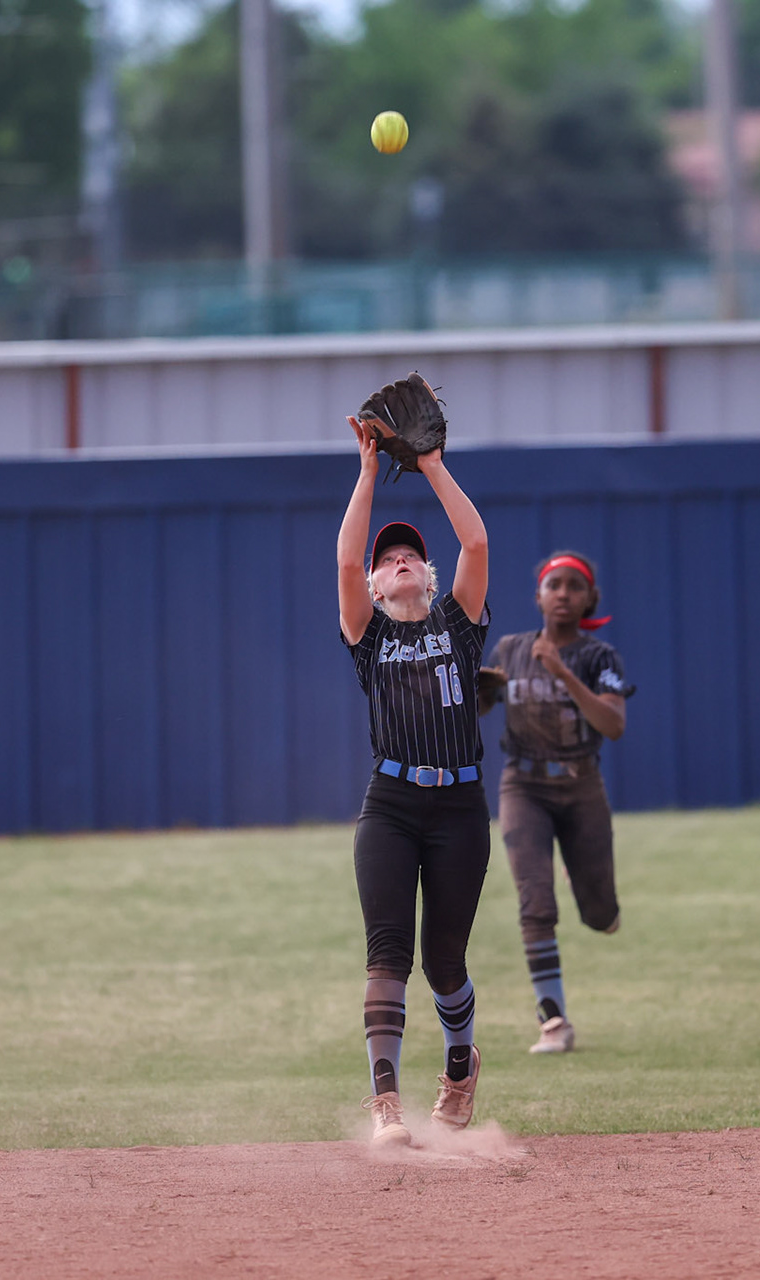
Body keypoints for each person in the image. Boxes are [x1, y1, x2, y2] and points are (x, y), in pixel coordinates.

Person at [337, 402, 491, 1149]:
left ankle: (460, 1065)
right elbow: (344, 560)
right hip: (391, 805)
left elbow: (475, 538)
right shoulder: (368, 639)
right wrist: (368, 471)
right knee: (387, 950)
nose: (395, 560)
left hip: (460, 807)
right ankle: (387, 1105)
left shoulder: (457, 623)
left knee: (444, 961)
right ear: (372, 586)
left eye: (407, 556)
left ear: (426, 576)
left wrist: (430, 466)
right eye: (385, 559)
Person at [477, 551, 633, 1055]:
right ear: (538, 596)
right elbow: (475, 708)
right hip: (524, 786)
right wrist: (477, 690)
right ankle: (554, 1020)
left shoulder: (598, 657)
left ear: (590, 599)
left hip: (581, 785)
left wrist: (563, 674)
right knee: (535, 904)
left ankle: (582, 874)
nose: (563, 593)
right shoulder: (512, 648)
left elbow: (613, 725)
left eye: (574, 586)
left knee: (599, 914)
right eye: (553, 585)